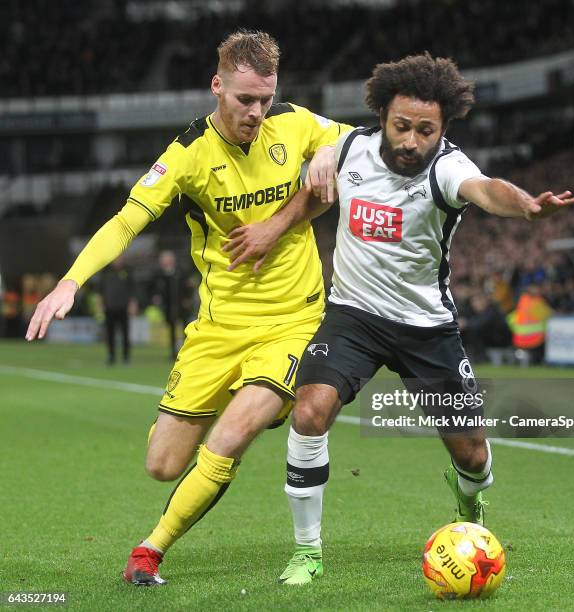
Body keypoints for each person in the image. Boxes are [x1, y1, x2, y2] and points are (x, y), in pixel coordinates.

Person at [226, 52, 574, 585]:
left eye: (425, 130)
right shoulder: (351, 149)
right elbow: (314, 194)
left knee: (474, 455)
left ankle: (470, 510)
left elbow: (486, 191)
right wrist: (275, 226)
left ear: (443, 129)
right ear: (382, 117)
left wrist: (526, 204)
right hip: (353, 316)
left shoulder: (448, 168)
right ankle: (307, 551)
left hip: (425, 327)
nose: (411, 140)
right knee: (309, 414)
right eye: (402, 127)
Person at [25, 30, 350, 586]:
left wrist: (326, 152)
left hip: (293, 319)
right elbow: (128, 219)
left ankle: (150, 550)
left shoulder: (295, 123)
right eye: (245, 99)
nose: (257, 111)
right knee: (164, 465)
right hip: (218, 327)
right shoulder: (187, 155)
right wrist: (71, 282)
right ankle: (241, 413)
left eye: (266, 99)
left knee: (231, 435)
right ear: (216, 86)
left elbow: (356, 145)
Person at [100, 258, 135, 365]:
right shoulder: (106, 271)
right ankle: (111, 356)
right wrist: (100, 304)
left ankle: (126, 356)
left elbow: (133, 289)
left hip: (123, 307)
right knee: (110, 333)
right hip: (109, 307)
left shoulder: (128, 271)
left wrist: (132, 304)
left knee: (125, 333)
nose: (118, 261)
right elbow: (100, 290)